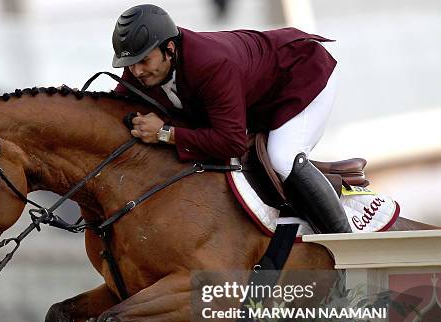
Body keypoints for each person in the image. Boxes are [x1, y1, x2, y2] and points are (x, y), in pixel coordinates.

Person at [111, 4, 351, 234]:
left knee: (282, 158)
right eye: (130, 65)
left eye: (144, 61)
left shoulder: (212, 64)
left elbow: (231, 143)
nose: (137, 72)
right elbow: (114, 107)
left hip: (303, 74)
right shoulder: (142, 64)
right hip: (258, 93)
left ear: (170, 49)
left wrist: (165, 133)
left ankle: (345, 239)